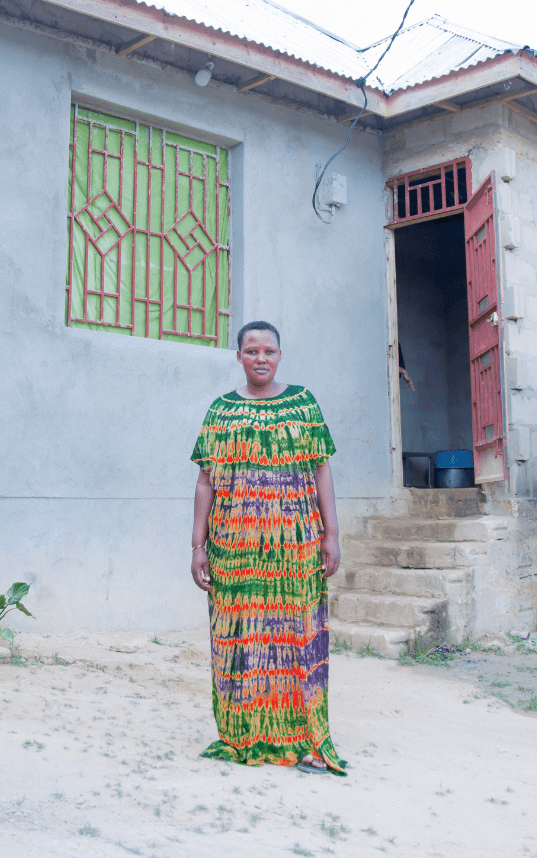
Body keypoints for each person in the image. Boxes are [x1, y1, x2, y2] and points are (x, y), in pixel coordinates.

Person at [189, 320, 346, 775]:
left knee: (297, 637)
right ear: (238, 356)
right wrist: (197, 545)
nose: (261, 358)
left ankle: (301, 734)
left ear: (280, 356)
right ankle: (242, 732)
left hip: (295, 548)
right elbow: (204, 482)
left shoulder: (303, 404)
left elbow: (322, 471)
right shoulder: (221, 411)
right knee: (239, 638)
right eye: (252, 350)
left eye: (269, 351)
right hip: (234, 549)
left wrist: (331, 534)